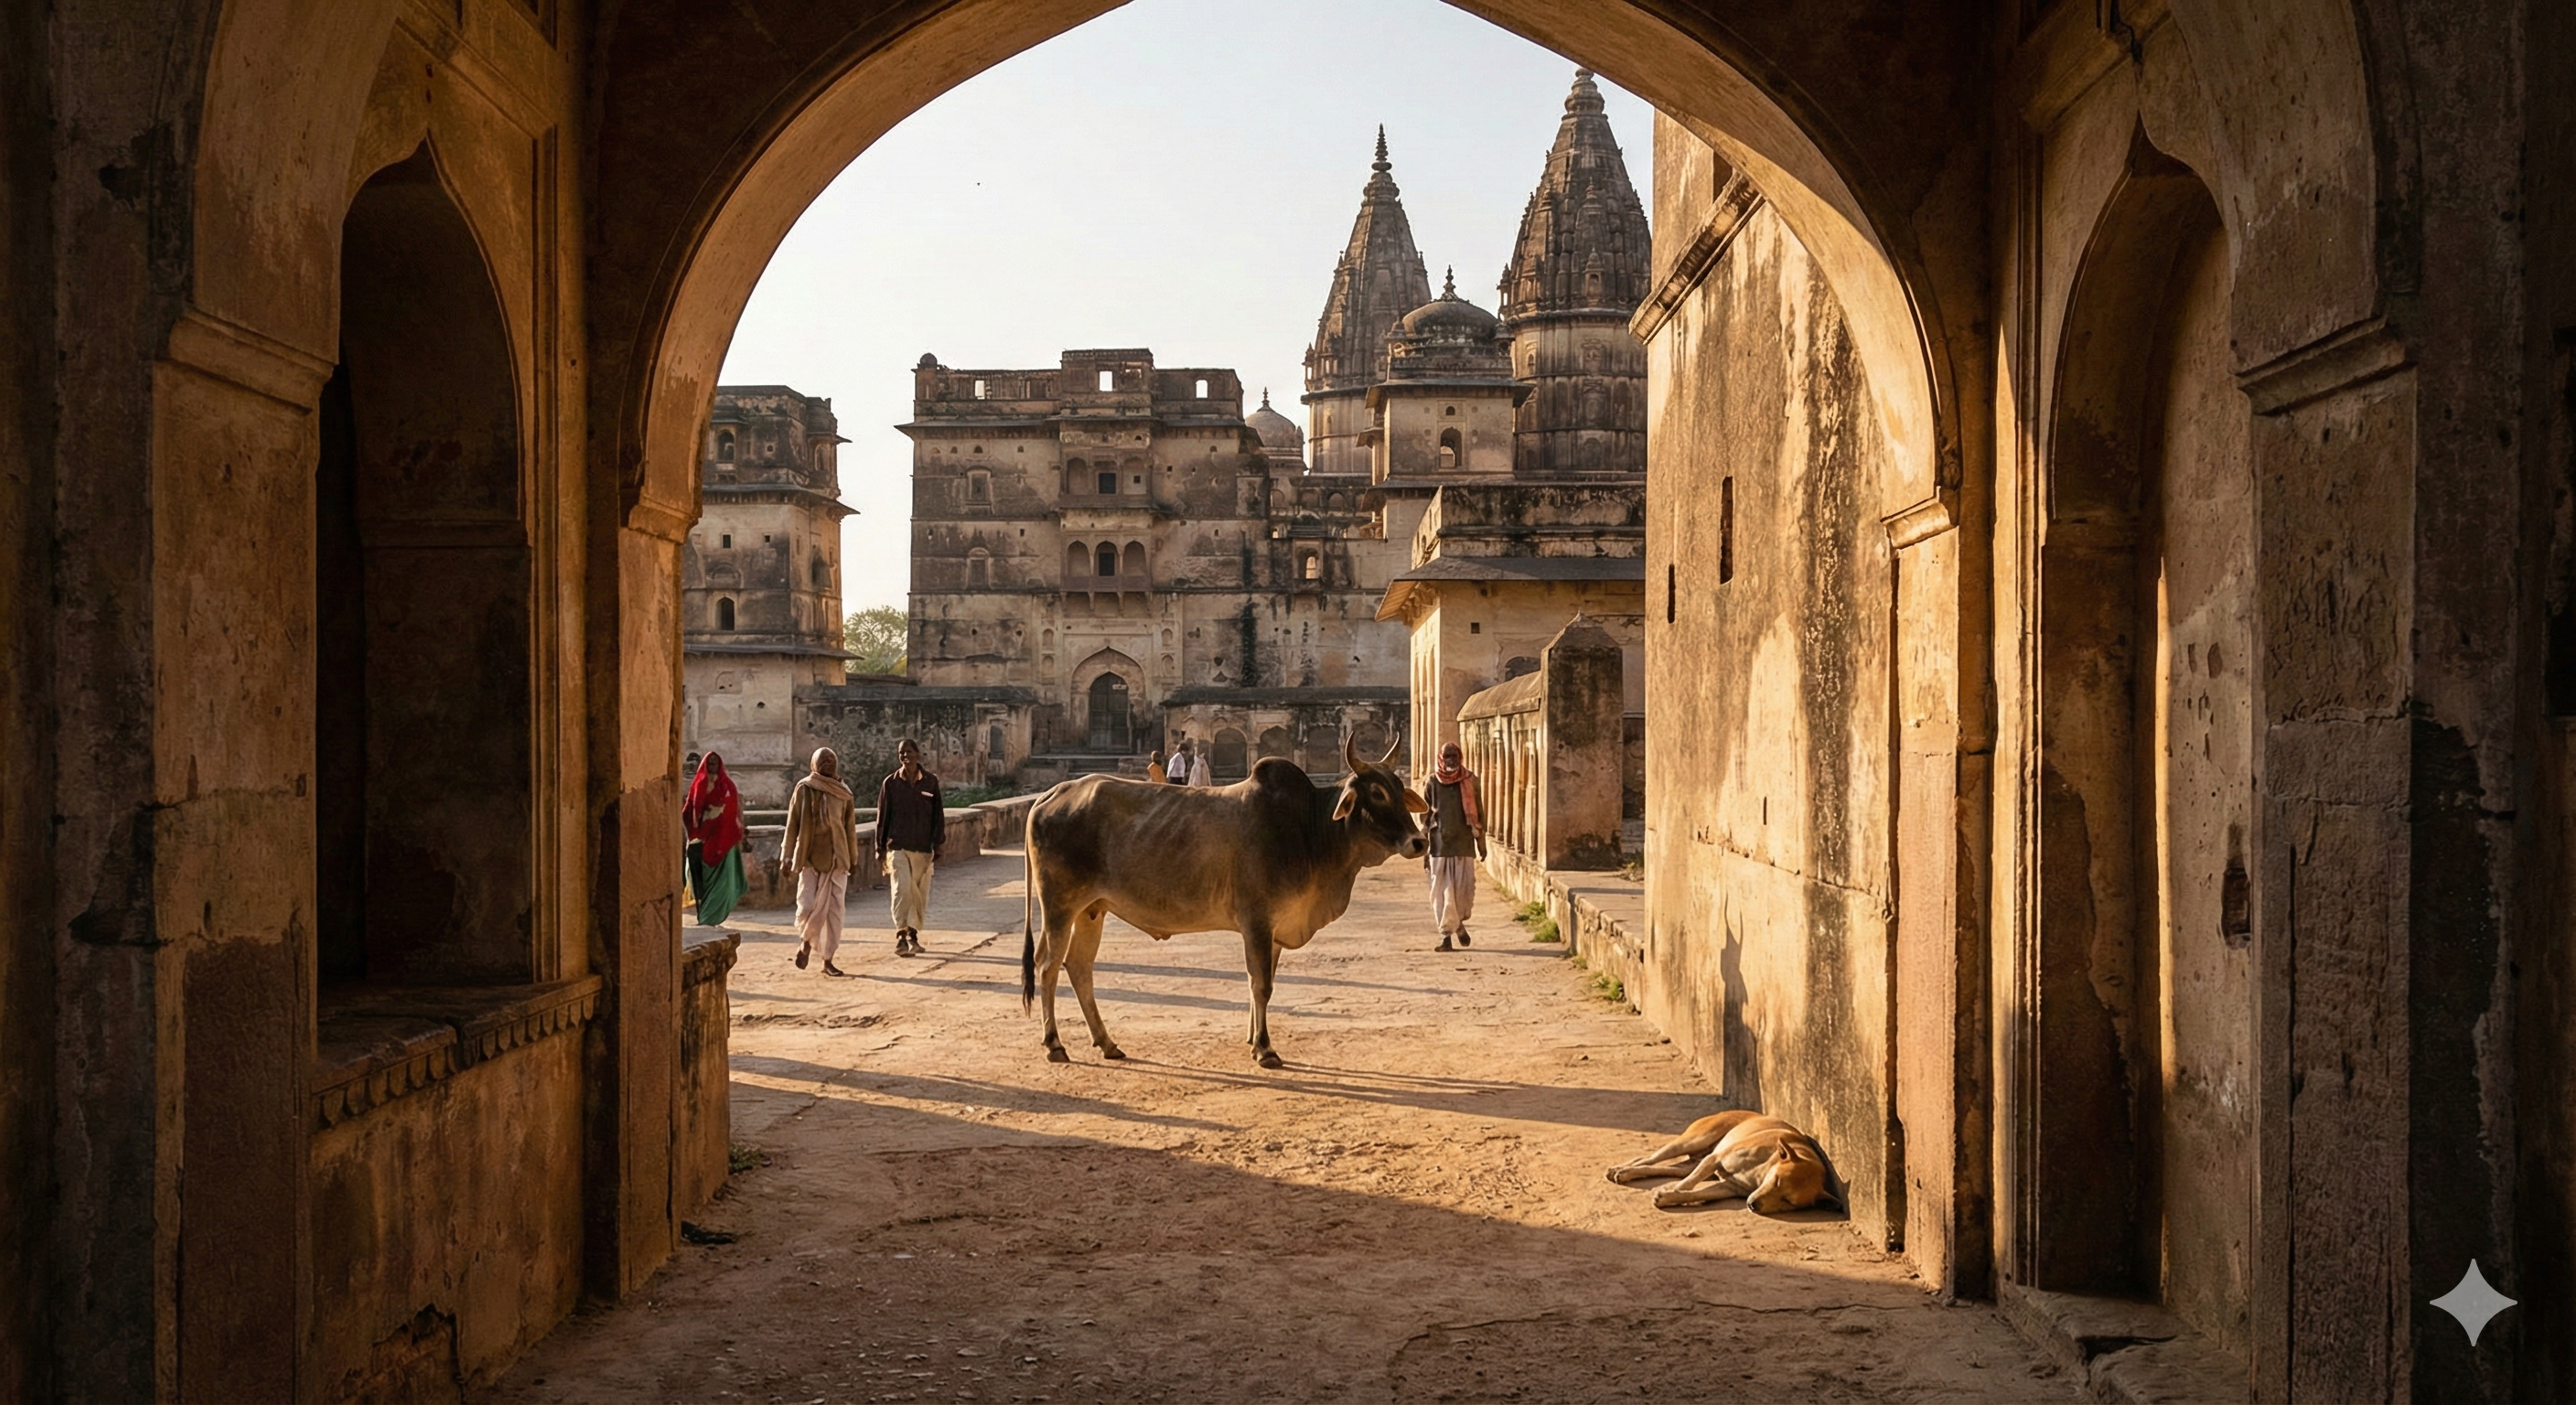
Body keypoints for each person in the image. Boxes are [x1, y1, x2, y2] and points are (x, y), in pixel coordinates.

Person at [780, 746, 860, 976]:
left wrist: (853, 858)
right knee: (807, 906)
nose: (828, 764)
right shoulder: (804, 788)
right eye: (823, 760)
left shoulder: (844, 793)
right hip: (810, 859)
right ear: (814, 764)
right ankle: (805, 943)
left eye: (831, 760)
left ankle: (828, 960)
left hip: (837, 860)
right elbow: (792, 824)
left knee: (834, 913)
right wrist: (786, 857)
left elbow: (850, 829)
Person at [875, 738, 946, 956]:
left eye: (909, 752)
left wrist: (938, 844)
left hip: (923, 847)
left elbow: (938, 815)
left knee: (919, 894)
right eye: (901, 753)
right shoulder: (891, 783)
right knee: (902, 890)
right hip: (898, 845)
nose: (905, 756)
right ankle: (901, 936)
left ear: (917, 754)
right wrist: (880, 847)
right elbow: (883, 817)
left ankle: (913, 935)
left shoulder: (930, 782)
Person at [1424, 742, 1486, 951]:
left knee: (1461, 894)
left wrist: (1481, 843)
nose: (1451, 760)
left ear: (1460, 757)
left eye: (1454, 756)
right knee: (1441, 894)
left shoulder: (1470, 780)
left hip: (1463, 845)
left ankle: (1458, 926)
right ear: (1441, 759)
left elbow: (1479, 814)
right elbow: (1425, 815)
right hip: (1439, 846)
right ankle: (1446, 937)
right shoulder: (1432, 782)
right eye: (1447, 757)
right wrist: (1424, 846)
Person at [682, 752, 746, 928]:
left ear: (720, 766)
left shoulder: (728, 786)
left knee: (722, 884)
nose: (712, 766)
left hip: (723, 843)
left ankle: (711, 918)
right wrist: (697, 830)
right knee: (700, 885)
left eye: (714, 763)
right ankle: (703, 918)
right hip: (700, 843)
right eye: (709, 763)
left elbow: (735, 813)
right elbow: (688, 812)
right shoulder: (698, 786)